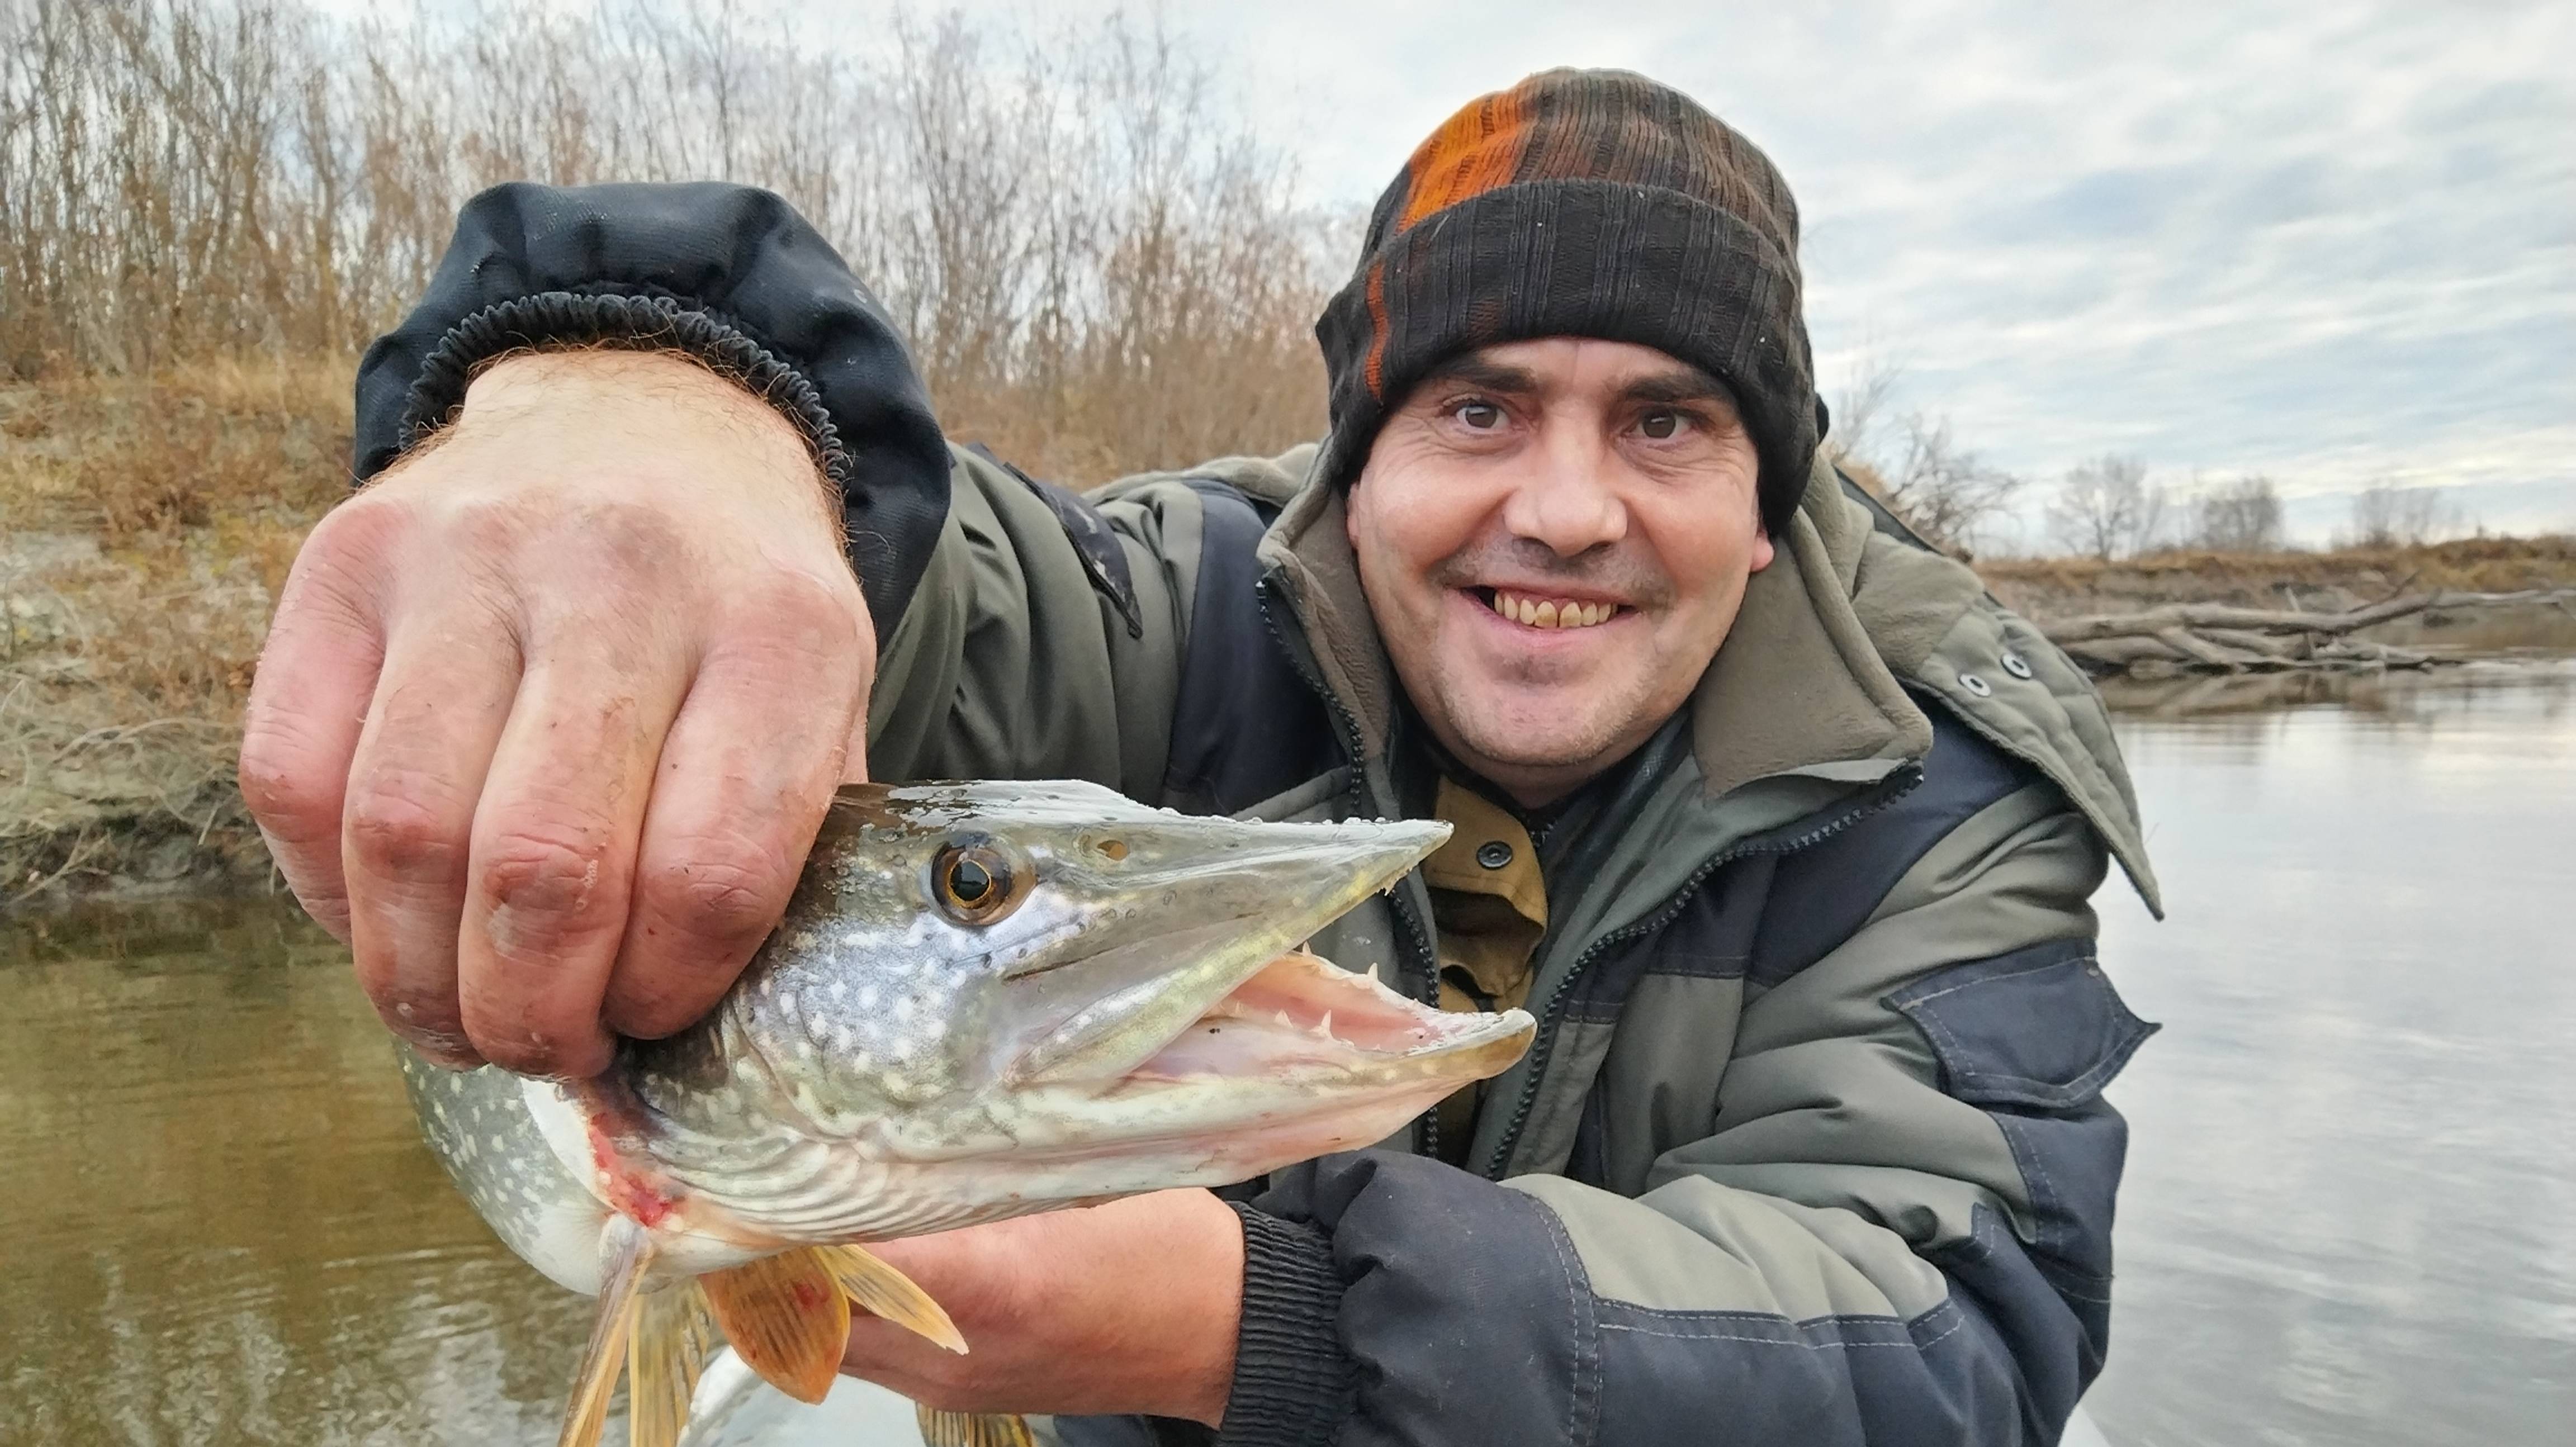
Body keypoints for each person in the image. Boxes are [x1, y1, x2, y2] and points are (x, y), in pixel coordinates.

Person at [242, 69, 2161, 1445]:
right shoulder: (1187, 607)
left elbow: (1949, 1347)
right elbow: (913, 574)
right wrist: (655, 385)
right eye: (1479, 407)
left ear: (1768, 506)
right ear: (1356, 467)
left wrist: (1282, 1322)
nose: (1565, 509)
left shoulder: (1945, 802)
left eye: (1666, 425)